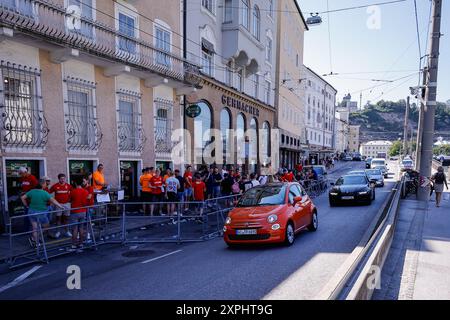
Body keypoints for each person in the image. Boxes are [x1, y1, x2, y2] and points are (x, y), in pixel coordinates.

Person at [21, 178, 64, 247]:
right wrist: (60, 206)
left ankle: (35, 241)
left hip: (31, 211)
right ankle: (35, 238)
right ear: (42, 185)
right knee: (46, 226)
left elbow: (23, 197)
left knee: (35, 228)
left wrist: (26, 205)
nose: (46, 184)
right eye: (45, 183)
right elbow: (53, 200)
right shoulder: (44, 193)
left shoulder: (32, 191)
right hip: (40, 213)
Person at [49, 173, 73, 238]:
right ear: (59, 179)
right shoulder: (55, 186)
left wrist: (70, 200)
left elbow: (73, 193)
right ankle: (58, 231)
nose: (63, 180)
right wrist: (51, 201)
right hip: (58, 204)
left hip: (67, 204)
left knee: (66, 218)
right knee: (58, 218)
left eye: (64, 178)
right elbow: (48, 193)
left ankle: (67, 231)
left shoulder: (68, 186)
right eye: (61, 179)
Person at [69, 178, 89, 252]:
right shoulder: (85, 191)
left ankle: (74, 244)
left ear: (75, 184)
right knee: (81, 228)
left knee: (74, 228)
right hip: (83, 211)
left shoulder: (73, 191)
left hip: (75, 211)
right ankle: (81, 243)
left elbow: (69, 200)